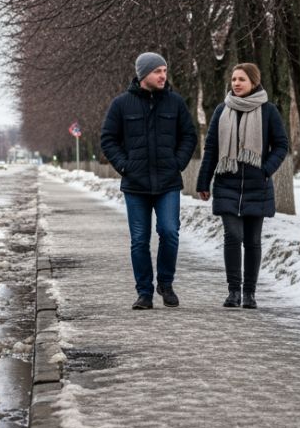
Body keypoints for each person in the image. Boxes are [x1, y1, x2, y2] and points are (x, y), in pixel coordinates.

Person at [101, 52, 198, 310]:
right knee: (139, 239)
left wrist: (177, 163)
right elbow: (108, 139)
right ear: (143, 74)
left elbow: (189, 136)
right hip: (136, 185)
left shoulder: (175, 103)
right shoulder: (121, 104)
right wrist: (124, 165)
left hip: (168, 182)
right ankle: (144, 292)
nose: (163, 76)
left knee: (169, 232)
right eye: (158, 71)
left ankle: (165, 284)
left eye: (165, 71)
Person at [196, 63, 290, 309]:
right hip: (227, 182)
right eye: (234, 79)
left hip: (256, 185)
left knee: (253, 240)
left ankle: (249, 293)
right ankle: (233, 292)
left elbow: (281, 145)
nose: (236, 83)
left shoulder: (268, 111)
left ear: (254, 82)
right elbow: (211, 149)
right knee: (232, 236)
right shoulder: (221, 110)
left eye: (242, 79)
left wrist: (265, 169)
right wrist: (203, 181)